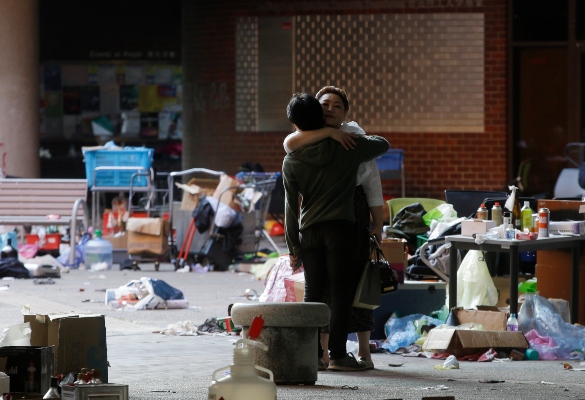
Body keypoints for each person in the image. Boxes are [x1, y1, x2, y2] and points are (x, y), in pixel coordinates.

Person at [282, 92, 389, 371]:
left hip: (309, 232)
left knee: (313, 294)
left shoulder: (291, 159)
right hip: (340, 229)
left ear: (295, 125)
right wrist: (340, 132)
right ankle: (338, 355)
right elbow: (382, 144)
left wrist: (293, 247)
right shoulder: (346, 147)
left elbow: (290, 209)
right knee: (341, 293)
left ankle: (313, 356)